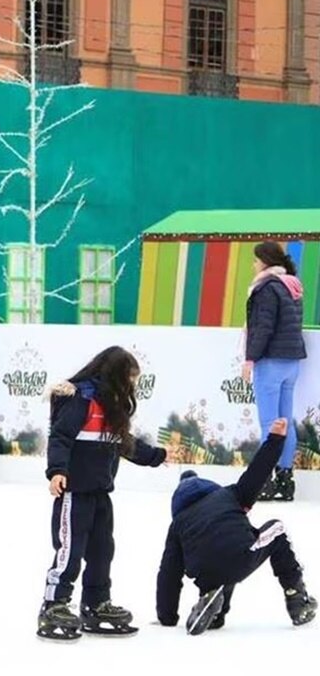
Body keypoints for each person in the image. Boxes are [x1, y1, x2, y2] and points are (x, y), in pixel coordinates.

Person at [36, 346, 167, 642]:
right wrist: (57, 471)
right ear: (115, 375)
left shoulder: (111, 407)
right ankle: (53, 604)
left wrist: (156, 455)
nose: (132, 386)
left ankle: (95, 604)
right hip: (74, 493)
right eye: (130, 379)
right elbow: (60, 436)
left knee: (102, 551)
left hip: (100, 494)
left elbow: (124, 444)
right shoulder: (80, 399)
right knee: (70, 552)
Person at [155, 418, 316, 635]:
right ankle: (297, 600)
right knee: (276, 530)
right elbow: (258, 472)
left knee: (216, 562)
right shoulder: (228, 495)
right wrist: (275, 439)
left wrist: (167, 617)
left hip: (206, 573)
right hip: (239, 556)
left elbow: (168, 572)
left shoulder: (178, 525)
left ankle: (214, 609)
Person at [242, 240, 306, 502]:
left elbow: (263, 328)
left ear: (265, 261)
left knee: (270, 424)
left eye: (256, 259)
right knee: (285, 421)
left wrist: (249, 359)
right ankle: (285, 479)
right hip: (292, 362)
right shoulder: (292, 285)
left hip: (271, 362)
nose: (254, 264)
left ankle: (265, 481)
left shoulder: (267, 288)